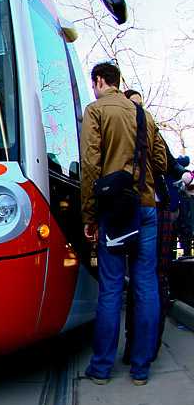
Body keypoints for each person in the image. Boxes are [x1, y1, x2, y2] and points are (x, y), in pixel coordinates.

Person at [80, 62, 166, 386]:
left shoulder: (96, 111)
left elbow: (91, 163)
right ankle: (141, 369)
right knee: (146, 286)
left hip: (114, 212)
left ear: (100, 81)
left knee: (111, 288)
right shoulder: (143, 114)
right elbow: (161, 162)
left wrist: (89, 216)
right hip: (146, 209)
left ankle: (102, 368)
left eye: (94, 85)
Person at [121, 90, 186, 364]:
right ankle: (142, 350)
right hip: (147, 206)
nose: (138, 109)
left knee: (146, 278)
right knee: (149, 278)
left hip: (141, 207)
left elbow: (168, 163)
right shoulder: (141, 126)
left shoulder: (119, 127)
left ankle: (141, 347)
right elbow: (165, 163)